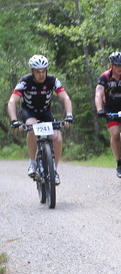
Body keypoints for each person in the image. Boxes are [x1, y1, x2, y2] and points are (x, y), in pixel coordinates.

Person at [7, 54, 74, 184]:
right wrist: (14, 120)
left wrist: (69, 115)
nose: (41, 74)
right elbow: (12, 101)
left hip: (45, 112)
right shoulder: (25, 81)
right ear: (32, 72)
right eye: (38, 71)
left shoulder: (52, 80)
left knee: (58, 137)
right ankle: (32, 163)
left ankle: (54, 170)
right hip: (29, 112)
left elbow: (65, 98)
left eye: (43, 71)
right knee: (32, 128)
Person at [95, 51, 121, 178]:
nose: (120, 68)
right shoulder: (105, 76)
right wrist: (100, 109)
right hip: (111, 107)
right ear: (112, 65)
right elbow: (99, 93)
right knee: (115, 133)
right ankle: (119, 163)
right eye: (117, 65)